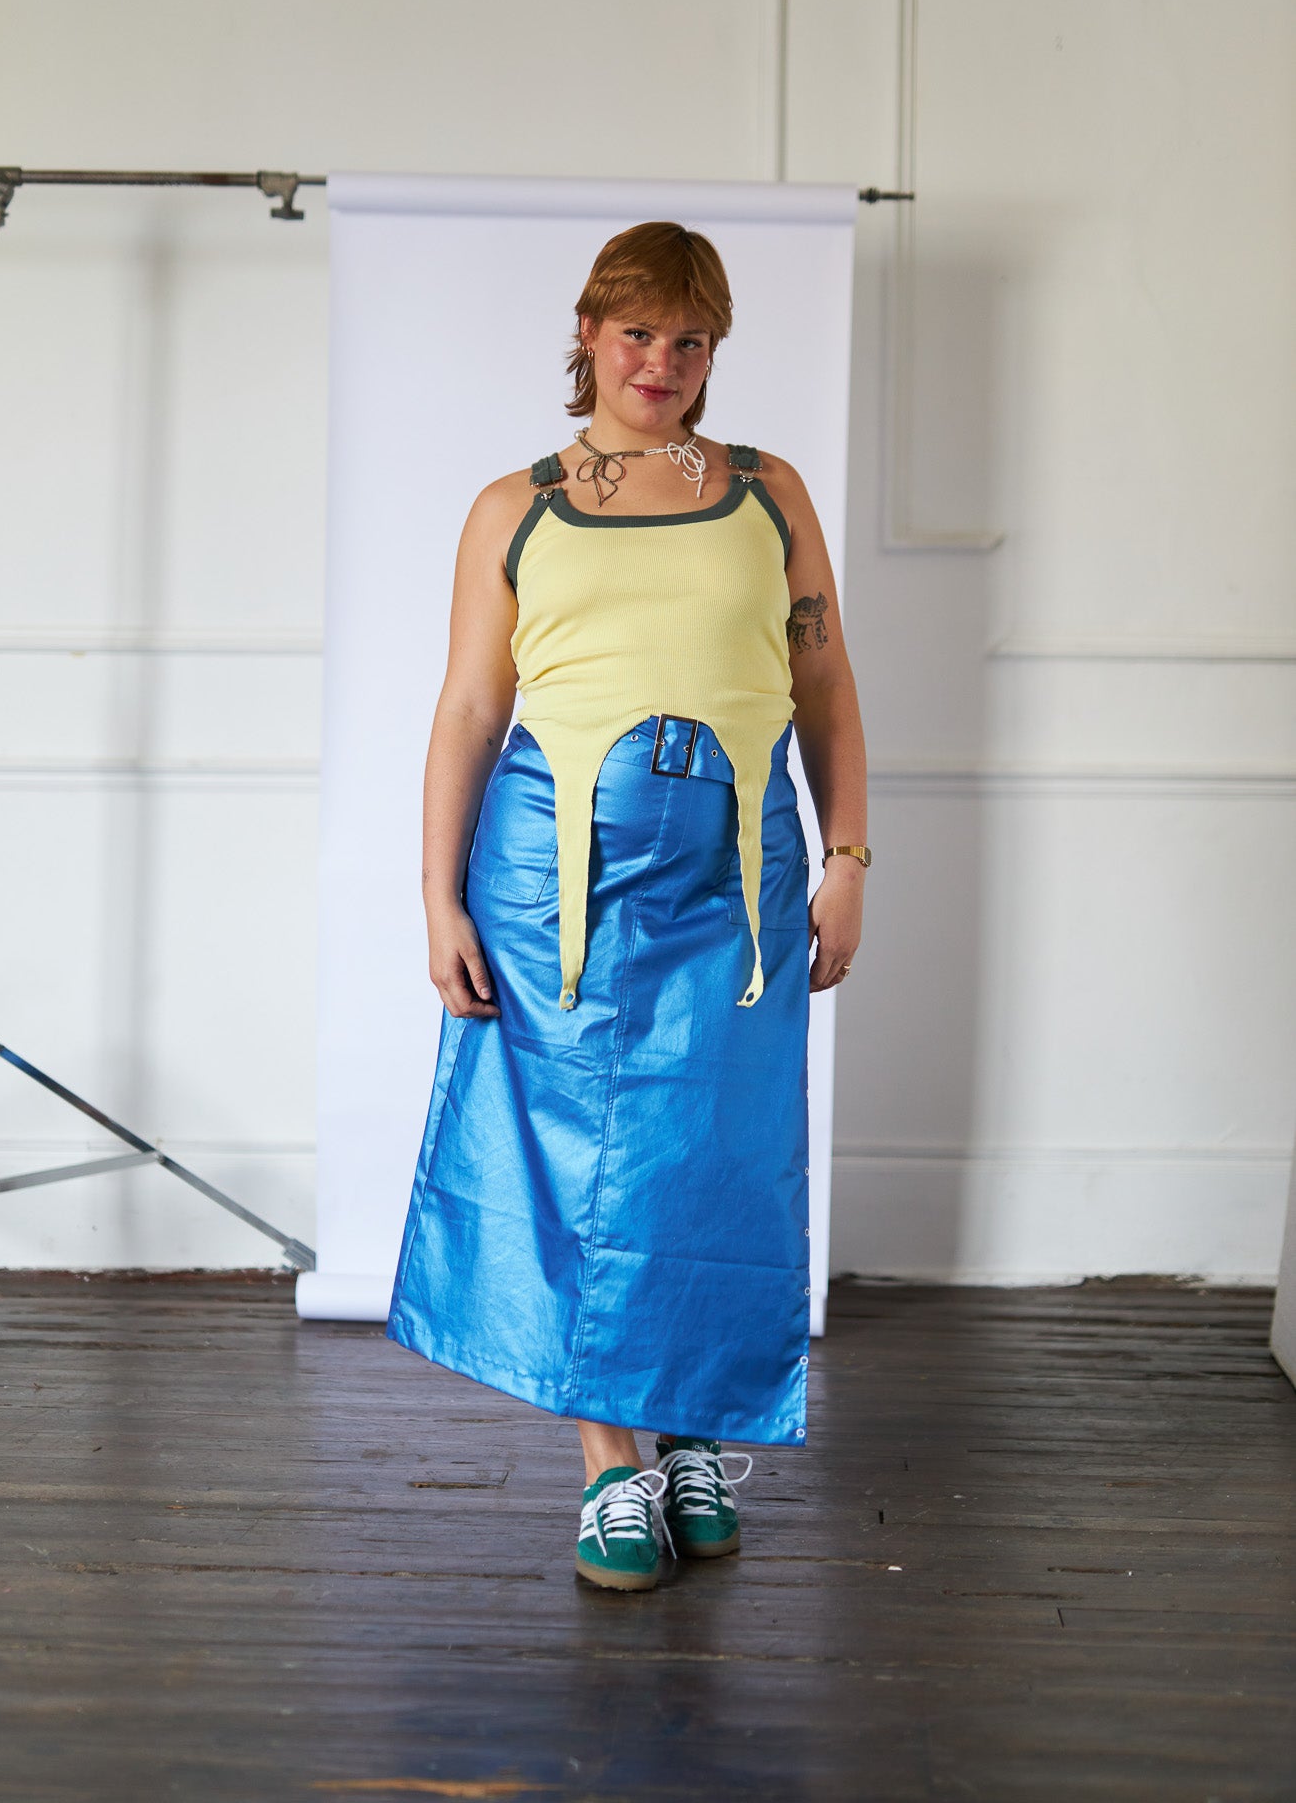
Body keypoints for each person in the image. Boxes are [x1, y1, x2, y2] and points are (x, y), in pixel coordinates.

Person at [386, 221, 868, 1591]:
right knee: (578, 1154)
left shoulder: (769, 492)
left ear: (715, 353)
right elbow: (469, 709)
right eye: (637, 332)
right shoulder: (515, 506)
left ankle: (699, 1432)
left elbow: (823, 684)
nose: (661, 360)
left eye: (689, 338)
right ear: (590, 337)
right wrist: (438, 898)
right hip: (554, 873)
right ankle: (611, 1465)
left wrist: (847, 856)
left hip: (739, 867)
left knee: (719, 1146)